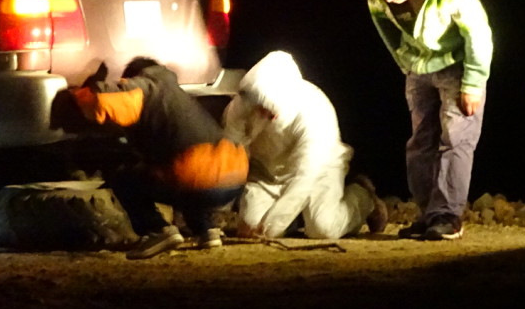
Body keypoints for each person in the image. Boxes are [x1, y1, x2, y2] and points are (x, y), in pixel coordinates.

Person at [366, 0, 493, 241]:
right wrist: (403, 59)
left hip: (456, 64)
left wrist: (473, 82)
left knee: (456, 139)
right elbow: (381, 19)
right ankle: (428, 215)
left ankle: (448, 216)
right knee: (420, 141)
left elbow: (477, 31)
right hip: (417, 67)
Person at [71, 57, 248, 259]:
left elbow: (101, 100)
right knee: (176, 171)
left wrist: (79, 91)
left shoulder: (144, 87)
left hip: (197, 177)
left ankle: (158, 231)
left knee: (124, 178)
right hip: (235, 175)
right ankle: (206, 230)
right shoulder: (177, 94)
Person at [222, 51, 389, 240]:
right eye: (260, 108)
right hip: (268, 173)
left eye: (270, 110)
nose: (266, 115)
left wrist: (272, 225)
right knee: (251, 226)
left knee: (323, 228)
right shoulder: (241, 106)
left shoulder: (315, 111)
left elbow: (306, 176)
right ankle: (295, 219)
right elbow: (230, 153)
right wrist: (220, 204)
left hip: (319, 170)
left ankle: (363, 198)